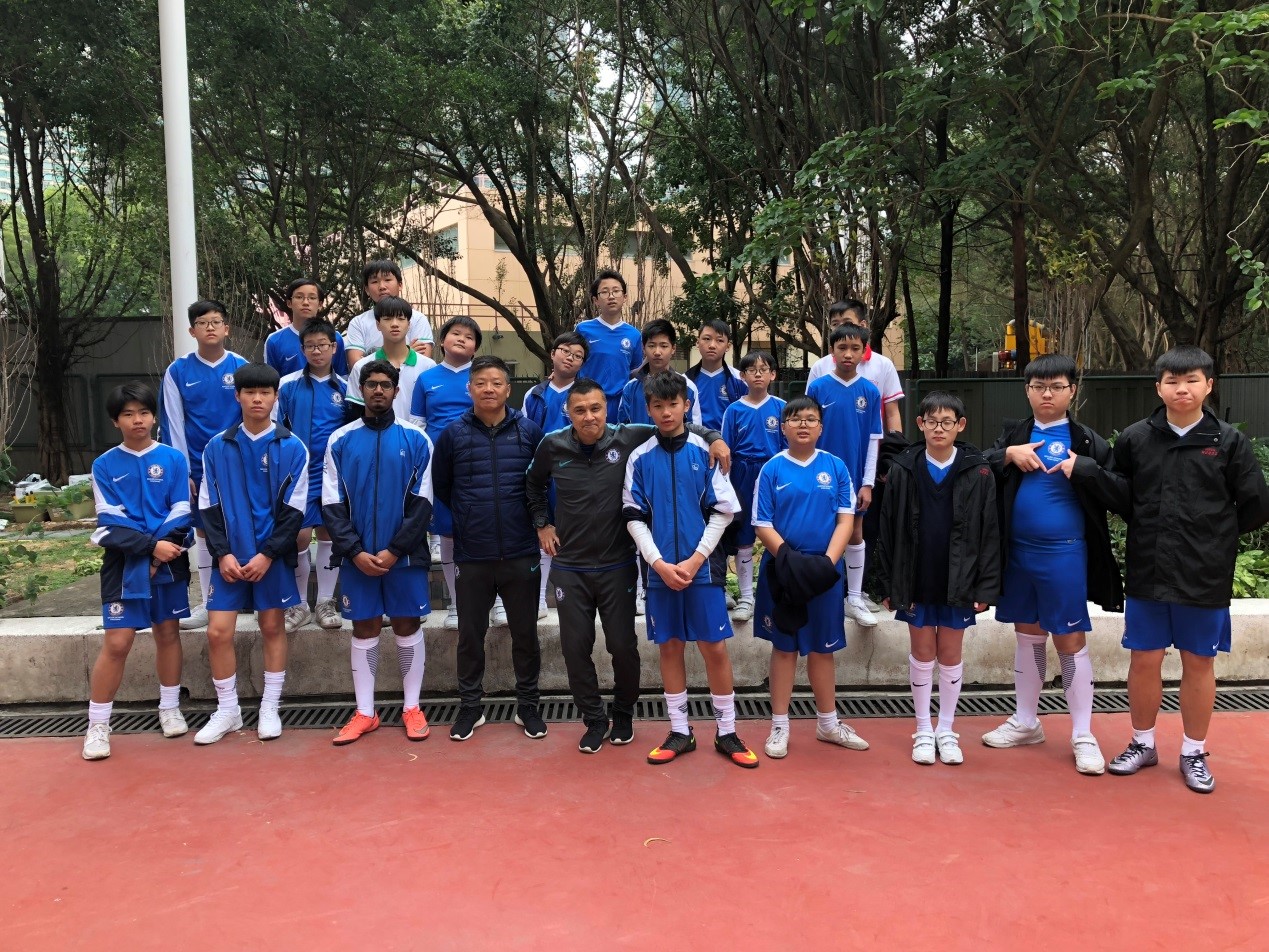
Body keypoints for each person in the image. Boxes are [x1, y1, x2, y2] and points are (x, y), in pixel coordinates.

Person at [526, 377, 731, 754]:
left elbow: (674, 424)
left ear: (607, 408)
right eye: (580, 410)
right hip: (570, 565)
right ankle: (593, 719)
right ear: (567, 413)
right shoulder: (552, 444)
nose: (589, 416)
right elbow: (532, 483)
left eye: (596, 408)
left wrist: (715, 437)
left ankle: (623, 714)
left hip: (617, 563)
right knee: (575, 647)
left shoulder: (630, 437)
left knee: (622, 646)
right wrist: (543, 523)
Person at [1098, 346, 1269, 794]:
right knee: (1144, 659)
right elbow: (1119, 495)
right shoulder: (1135, 438)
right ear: (1158, 387)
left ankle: (1193, 751)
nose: (1182, 389)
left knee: (1199, 661)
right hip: (1148, 569)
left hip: (1204, 574)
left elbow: (1255, 504)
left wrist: (1215, 537)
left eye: (1192, 380)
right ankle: (1142, 743)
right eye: (1172, 381)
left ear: (1208, 385)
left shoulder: (1228, 442)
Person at [981, 354, 1123, 775]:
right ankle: (1027, 722)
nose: (1047, 394)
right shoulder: (1014, 435)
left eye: (1057, 386)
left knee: (1070, 640)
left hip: (1065, 553)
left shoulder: (1088, 441)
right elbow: (976, 472)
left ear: (1071, 391)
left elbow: (1121, 493)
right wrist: (1007, 455)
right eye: (1039, 386)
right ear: (1026, 390)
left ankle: (1083, 734)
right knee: (1027, 636)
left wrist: (1086, 469)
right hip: (1018, 553)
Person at [623, 372, 758, 769]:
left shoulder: (706, 450)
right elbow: (633, 516)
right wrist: (658, 563)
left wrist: (697, 558)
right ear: (648, 409)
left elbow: (724, 511)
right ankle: (680, 730)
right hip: (660, 572)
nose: (666, 412)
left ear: (686, 405)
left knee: (714, 647)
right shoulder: (639, 457)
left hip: (704, 570)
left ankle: (727, 731)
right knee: (670, 646)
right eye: (658, 406)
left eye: (673, 404)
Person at [876, 391, 1000, 766]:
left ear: (960, 425)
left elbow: (989, 531)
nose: (939, 429)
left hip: (958, 578)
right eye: (932, 421)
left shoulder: (978, 471)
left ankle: (946, 729)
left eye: (947, 422)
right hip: (915, 576)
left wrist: (985, 585)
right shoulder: (903, 468)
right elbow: (887, 528)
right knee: (922, 652)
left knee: (949, 653)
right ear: (920, 424)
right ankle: (923, 729)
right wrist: (886, 583)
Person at [432, 355, 547, 743]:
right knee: (470, 635)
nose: (489, 389)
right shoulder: (452, 435)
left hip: (521, 550)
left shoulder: (529, 432)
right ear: (470, 389)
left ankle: (527, 706)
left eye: (496, 382)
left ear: (508, 388)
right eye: (480, 383)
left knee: (525, 635)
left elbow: (541, 483)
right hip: (472, 554)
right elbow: (443, 486)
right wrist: (468, 517)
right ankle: (470, 707)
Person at [322, 360, 435, 746]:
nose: (378, 391)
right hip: (358, 558)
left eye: (386, 385)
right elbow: (331, 503)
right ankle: (366, 713)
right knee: (364, 627)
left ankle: (412, 708)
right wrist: (354, 551)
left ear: (396, 391)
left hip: (404, 557)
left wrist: (395, 550)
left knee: (407, 625)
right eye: (371, 384)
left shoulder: (417, 439)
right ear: (362, 390)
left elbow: (424, 502)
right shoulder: (340, 440)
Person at [195, 363, 309, 745]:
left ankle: (270, 707)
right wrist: (222, 554)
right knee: (217, 631)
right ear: (238, 396)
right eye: (250, 392)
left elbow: (294, 511)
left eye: (265, 392)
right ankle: (228, 710)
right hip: (229, 558)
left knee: (273, 627)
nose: (257, 399)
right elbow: (208, 505)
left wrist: (268, 555)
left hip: (269, 558)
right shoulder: (216, 446)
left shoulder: (292, 447)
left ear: (276, 397)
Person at [82, 383, 194, 761]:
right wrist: (149, 548)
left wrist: (161, 552)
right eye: (128, 414)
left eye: (143, 412)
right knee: (117, 643)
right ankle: (98, 725)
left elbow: (181, 511)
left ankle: (170, 708)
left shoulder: (174, 459)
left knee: (168, 633)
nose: (137, 420)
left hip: (170, 558)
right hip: (123, 566)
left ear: (154, 417)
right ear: (116, 421)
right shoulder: (104, 465)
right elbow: (109, 524)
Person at [753, 396, 870, 760]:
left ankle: (828, 724)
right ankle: (779, 725)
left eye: (810, 419)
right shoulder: (771, 469)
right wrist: (790, 561)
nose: (802, 424)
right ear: (783, 428)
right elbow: (762, 523)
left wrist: (825, 564)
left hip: (824, 574)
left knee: (822, 648)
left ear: (821, 427)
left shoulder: (836, 467)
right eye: (794, 419)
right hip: (782, 571)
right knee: (784, 648)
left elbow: (845, 519)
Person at [159, 299, 249, 631]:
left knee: (244, 524)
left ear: (227, 328)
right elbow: (173, 423)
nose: (210, 327)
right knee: (203, 530)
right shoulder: (177, 371)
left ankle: (249, 595)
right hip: (197, 467)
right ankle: (210, 600)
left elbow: (255, 415)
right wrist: (182, 472)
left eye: (216, 321)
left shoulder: (241, 367)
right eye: (202, 322)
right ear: (191, 330)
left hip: (238, 464)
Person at [805, 322, 884, 626]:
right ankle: (825, 594)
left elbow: (874, 440)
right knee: (821, 531)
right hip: (821, 476)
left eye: (855, 348)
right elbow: (806, 433)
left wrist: (867, 483)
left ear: (864, 352)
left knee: (854, 532)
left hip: (854, 476)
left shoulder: (870, 391)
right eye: (842, 348)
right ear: (832, 351)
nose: (848, 354)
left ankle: (854, 597)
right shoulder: (818, 387)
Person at [275, 318, 348, 632]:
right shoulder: (287, 385)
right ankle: (299, 604)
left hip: (333, 474)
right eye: (310, 346)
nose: (317, 351)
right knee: (300, 536)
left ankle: (325, 603)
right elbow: (275, 429)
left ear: (333, 347)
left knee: (330, 533)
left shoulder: (346, 387)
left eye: (322, 345)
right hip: (298, 475)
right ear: (302, 349)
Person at [410, 315, 481, 629]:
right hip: (440, 468)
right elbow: (418, 425)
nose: (462, 339)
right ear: (441, 341)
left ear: (475, 348)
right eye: (456, 333)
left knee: (482, 531)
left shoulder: (482, 376)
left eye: (469, 336)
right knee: (448, 532)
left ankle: (493, 602)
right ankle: (456, 604)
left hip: (478, 465)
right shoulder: (426, 379)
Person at [521, 331, 589, 618]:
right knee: (543, 532)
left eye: (578, 355)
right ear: (552, 353)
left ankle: (578, 598)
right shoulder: (534, 394)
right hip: (542, 473)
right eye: (565, 351)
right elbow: (525, 434)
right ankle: (538, 598)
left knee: (576, 533)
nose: (570, 358)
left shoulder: (585, 393)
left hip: (576, 474)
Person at [720, 350, 786, 622]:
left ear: (773, 375)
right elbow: (725, 450)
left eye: (763, 369)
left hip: (774, 473)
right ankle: (746, 597)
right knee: (744, 535)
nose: (758, 374)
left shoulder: (781, 407)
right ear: (742, 376)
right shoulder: (734, 410)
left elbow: (788, 447)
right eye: (752, 370)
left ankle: (781, 592)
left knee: (779, 532)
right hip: (742, 474)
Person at [806, 299, 904, 434]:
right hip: (828, 442)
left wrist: (896, 444)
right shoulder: (820, 366)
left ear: (862, 325)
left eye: (847, 322)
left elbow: (892, 413)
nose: (841, 328)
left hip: (870, 442)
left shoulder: (883, 365)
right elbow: (809, 412)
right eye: (835, 324)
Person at [345, 295, 435, 422]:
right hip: (376, 434)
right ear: (378, 325)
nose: (394, 324)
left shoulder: (428, 367)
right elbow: (355, 415)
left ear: (409, 324)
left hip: (417, 434)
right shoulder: (361, 367)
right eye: (387, 319)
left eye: (401, 319)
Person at [577, 269, 642, 419]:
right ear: (595, 300)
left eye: (616, 291)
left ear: (625, 297)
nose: (611, 296)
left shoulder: (634, 334)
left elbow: (634, 371)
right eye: (605, 292)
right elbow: (572, 362)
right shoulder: (583, 329)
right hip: (589, 401)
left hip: (621, 403)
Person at [344, 259, 434, 364]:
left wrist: (370, 360)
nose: (382, 287)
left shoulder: (418, 319)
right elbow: (356, 365)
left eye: (387, 280)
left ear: (400, 285)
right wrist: (406, 354)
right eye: (374, 282)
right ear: (367, 290)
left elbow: (422, 362)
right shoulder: (358, 323)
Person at [618, 319, 703, 427]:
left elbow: (694, 429)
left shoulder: (687, 387)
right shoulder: (630, 388)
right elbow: (622, 430)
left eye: (663, 346)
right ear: (643, 349)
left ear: (673, 348)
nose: (657, 352)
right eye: (652, 346)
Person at [264, 278, 347, 378]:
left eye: (312, 298)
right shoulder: (274, 340)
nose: (306, 302)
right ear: (289, 303)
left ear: (320, 304)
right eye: (299, 297)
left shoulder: (335, 337)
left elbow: (342, 377)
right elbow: (270, 381)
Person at [686, 319, 748, 431]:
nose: (712, 345)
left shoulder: (741, 380)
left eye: (719, 340)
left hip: (729, 441)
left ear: (728, 346)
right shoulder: (685, 381)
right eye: (707, 339)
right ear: (697, 342)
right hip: (695, 440)